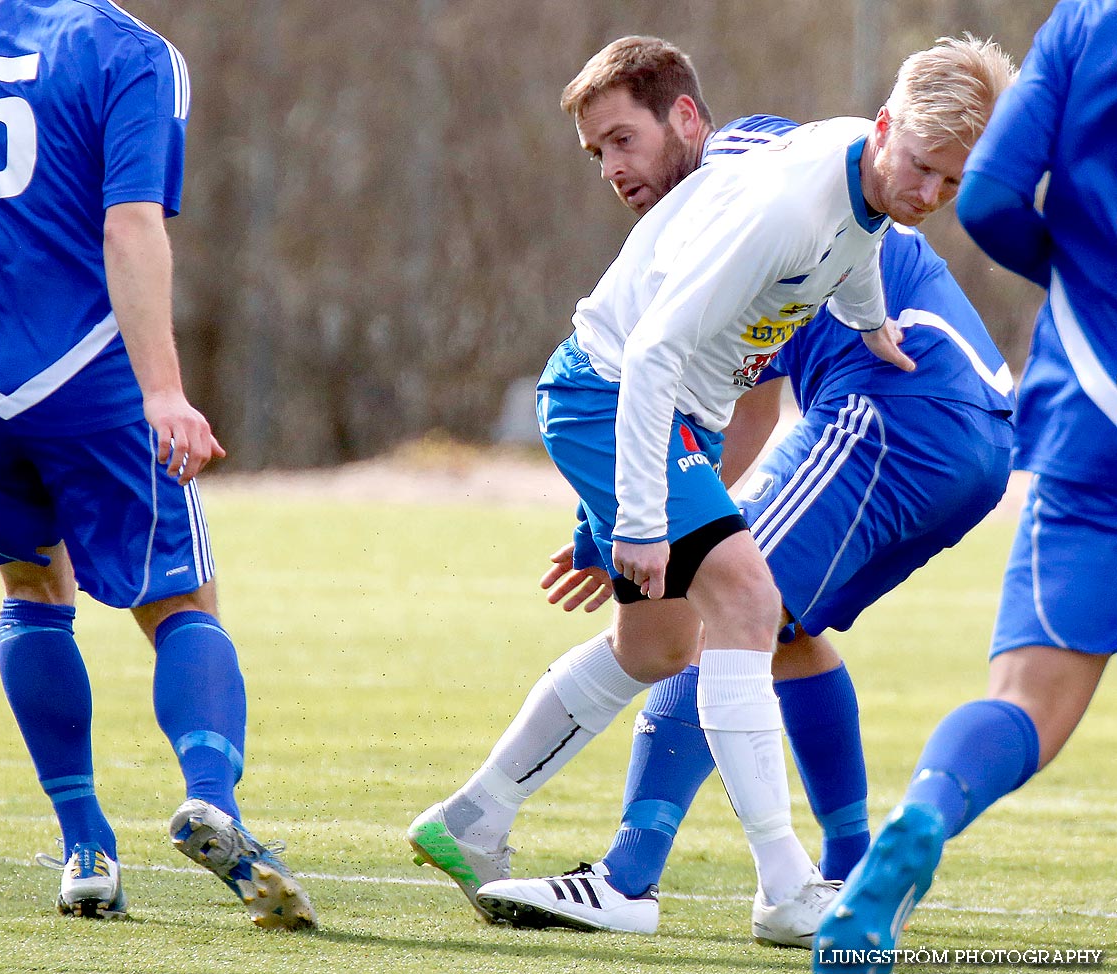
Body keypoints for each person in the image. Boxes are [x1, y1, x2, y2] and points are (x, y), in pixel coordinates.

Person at [408, 35, 1012, 947]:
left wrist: (872, 326)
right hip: (612, 398)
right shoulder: (777, 193)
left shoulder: (807, 176)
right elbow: (645, 354)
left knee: (654, 646)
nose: (613, 170)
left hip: (656, 410)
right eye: (598, 150)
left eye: (623, 141)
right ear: (887, 129)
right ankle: (771, 885)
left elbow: (849, 248)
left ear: (687, 120)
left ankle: (473, 819)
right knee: (747, 600)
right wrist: (640, 521)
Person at [0, 0, 314, 929]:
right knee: (180, 601)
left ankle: (85, 847)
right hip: (86, 376)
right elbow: (130, 224)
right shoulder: (132, 52)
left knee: (31, 592)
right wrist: (165, 391)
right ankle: (210, 793)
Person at [815, 3, 1117, 970]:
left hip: (1093, 414)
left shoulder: (1086, 25)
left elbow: (986, 198)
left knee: (1029, 699)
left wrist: (1079, 281)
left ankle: (925, 813)